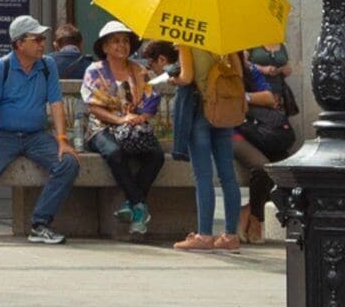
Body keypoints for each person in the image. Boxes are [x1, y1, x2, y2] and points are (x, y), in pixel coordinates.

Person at [0, 18, 77, 247]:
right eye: (36, 39)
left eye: (43, 39)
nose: (42, 44)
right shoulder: (1, 67)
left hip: (36, 136)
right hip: (3, 135)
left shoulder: (48, 66)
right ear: (19, 44)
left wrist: (62, 140)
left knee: (68, 163)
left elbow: (56, 104)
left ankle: (40, 224)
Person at [81, 23, 168, 235]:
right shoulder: (95, 71)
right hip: (100, 128)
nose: (122, 45)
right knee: (114, 153)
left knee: (156, 156)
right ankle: (140, 206)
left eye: (126, 40)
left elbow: (151, 103)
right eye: (116, 41)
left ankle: (131, 204)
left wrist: (140, 118)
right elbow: (93, 106)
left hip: (133, 128)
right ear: (105, 47)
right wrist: (119, 120)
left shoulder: (139, 70)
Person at [176, 41, 249, 252]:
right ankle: (230, 235)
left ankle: (204, 235)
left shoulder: (186, 39)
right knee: (228, 175)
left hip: (200, 111)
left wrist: (174, 78)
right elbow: (238, 76)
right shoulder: (227, 41)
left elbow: (187, 77)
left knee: (203, 175)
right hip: (224, 111)